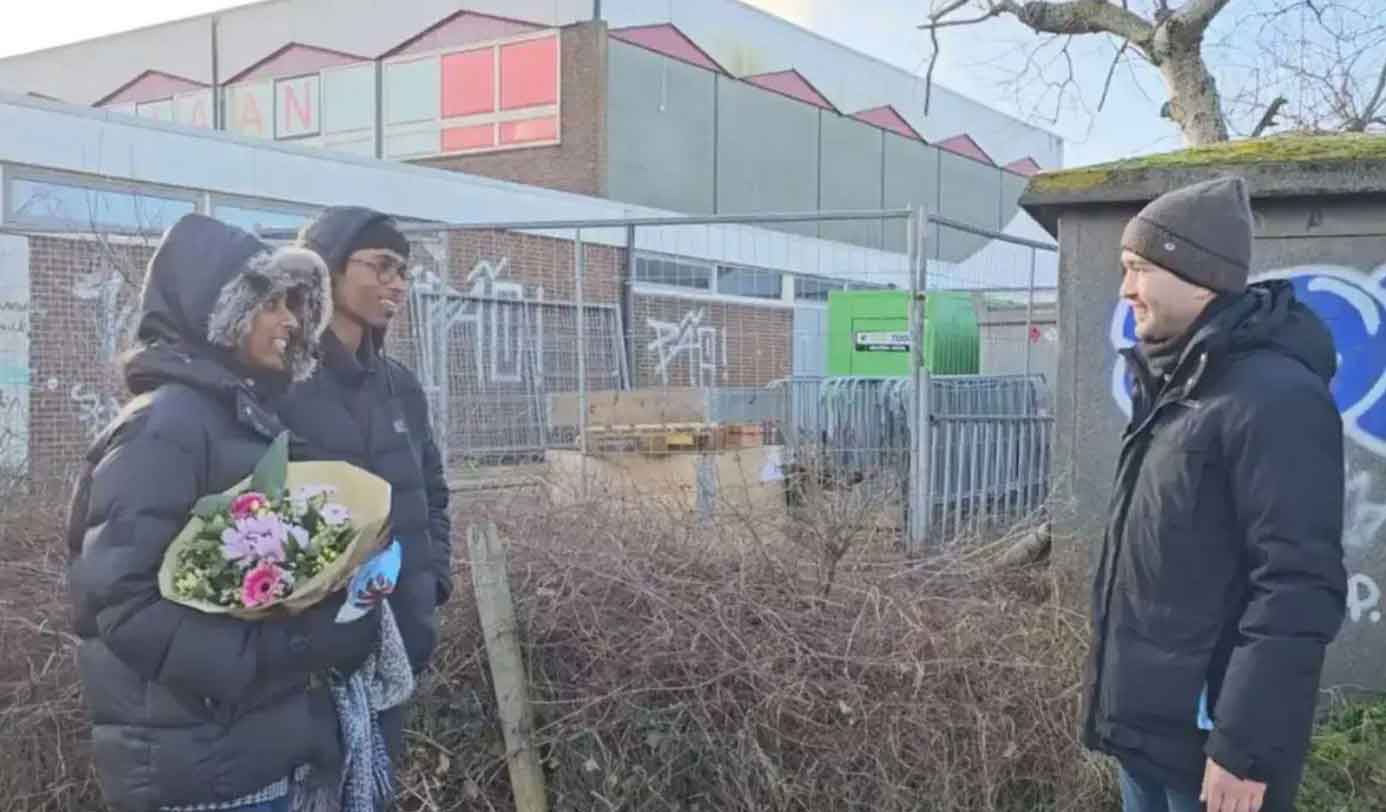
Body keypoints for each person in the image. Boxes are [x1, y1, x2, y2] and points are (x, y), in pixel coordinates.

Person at [65, 213, 381, 812]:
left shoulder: (239, 418)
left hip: (253, 756)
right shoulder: (163, 428)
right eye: (272, 304)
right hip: (203, 775)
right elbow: (124, 605)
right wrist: (286, 650)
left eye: (296, 305)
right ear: (219, 310)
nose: (292, 321)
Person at [1083, 175, 1347, 812]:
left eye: (1139, 269)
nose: (1125, 289)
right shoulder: (1174, 385)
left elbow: (1297, 587)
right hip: (1146, 739)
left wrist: (1244, 749)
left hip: (1213, 757)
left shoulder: (1276, 397)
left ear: (1196, 273)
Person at [276, 206, 452, 761]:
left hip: (400, 647)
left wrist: (433, 582)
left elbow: (432, 491)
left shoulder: (399, 387)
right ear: (327, 270)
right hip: (308, 666)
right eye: (381, 266)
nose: (397, 283)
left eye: (403, 270)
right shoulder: (280, 383)